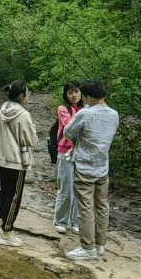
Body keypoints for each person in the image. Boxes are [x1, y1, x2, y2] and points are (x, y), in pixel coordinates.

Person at [62, 79, 120, 261]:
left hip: (85, 165)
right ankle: (100, 244)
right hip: (103, 166)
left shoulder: (84, 114)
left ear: (88, 97)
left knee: (85, 207)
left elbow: (67, 133)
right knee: (102, 205)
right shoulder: (114, 114)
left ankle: (87, 247)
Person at [0, 81, 37, 247]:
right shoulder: (22, 114)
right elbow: (30, 139)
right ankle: (7, 233)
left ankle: (1, 222)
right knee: (14, 196)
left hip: (0, 158)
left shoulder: (2, 109)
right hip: (16, 161)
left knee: (4, 191)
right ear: (21, 96)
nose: (29, 95)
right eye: (27, 92)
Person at [51, 82, 83, 234]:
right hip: (65, 152)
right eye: (70, 92)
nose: (73, 95)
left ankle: (75, 221)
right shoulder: (63, 108)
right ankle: (60, 220)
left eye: (76, 92)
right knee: (66, 188)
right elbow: (69, 126)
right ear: (66, 94)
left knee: (79, 189)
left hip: (83, 153)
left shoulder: (85, 108)